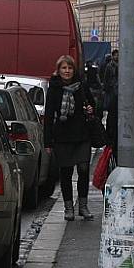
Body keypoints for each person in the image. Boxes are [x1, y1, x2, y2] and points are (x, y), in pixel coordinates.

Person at [44, 55, 97, 221]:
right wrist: (48, 142)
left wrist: (90, 108)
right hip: (62, 136)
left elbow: (93, 105)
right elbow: (48, 115)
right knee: (66, 172)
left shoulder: (81, 85)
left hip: (82, 134)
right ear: (58, 70)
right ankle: (68, 208)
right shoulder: (54, 88)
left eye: (70, 68)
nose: (67, 71)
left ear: (74, 70)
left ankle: (83, 206)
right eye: (64, 68)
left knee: (83, 169)